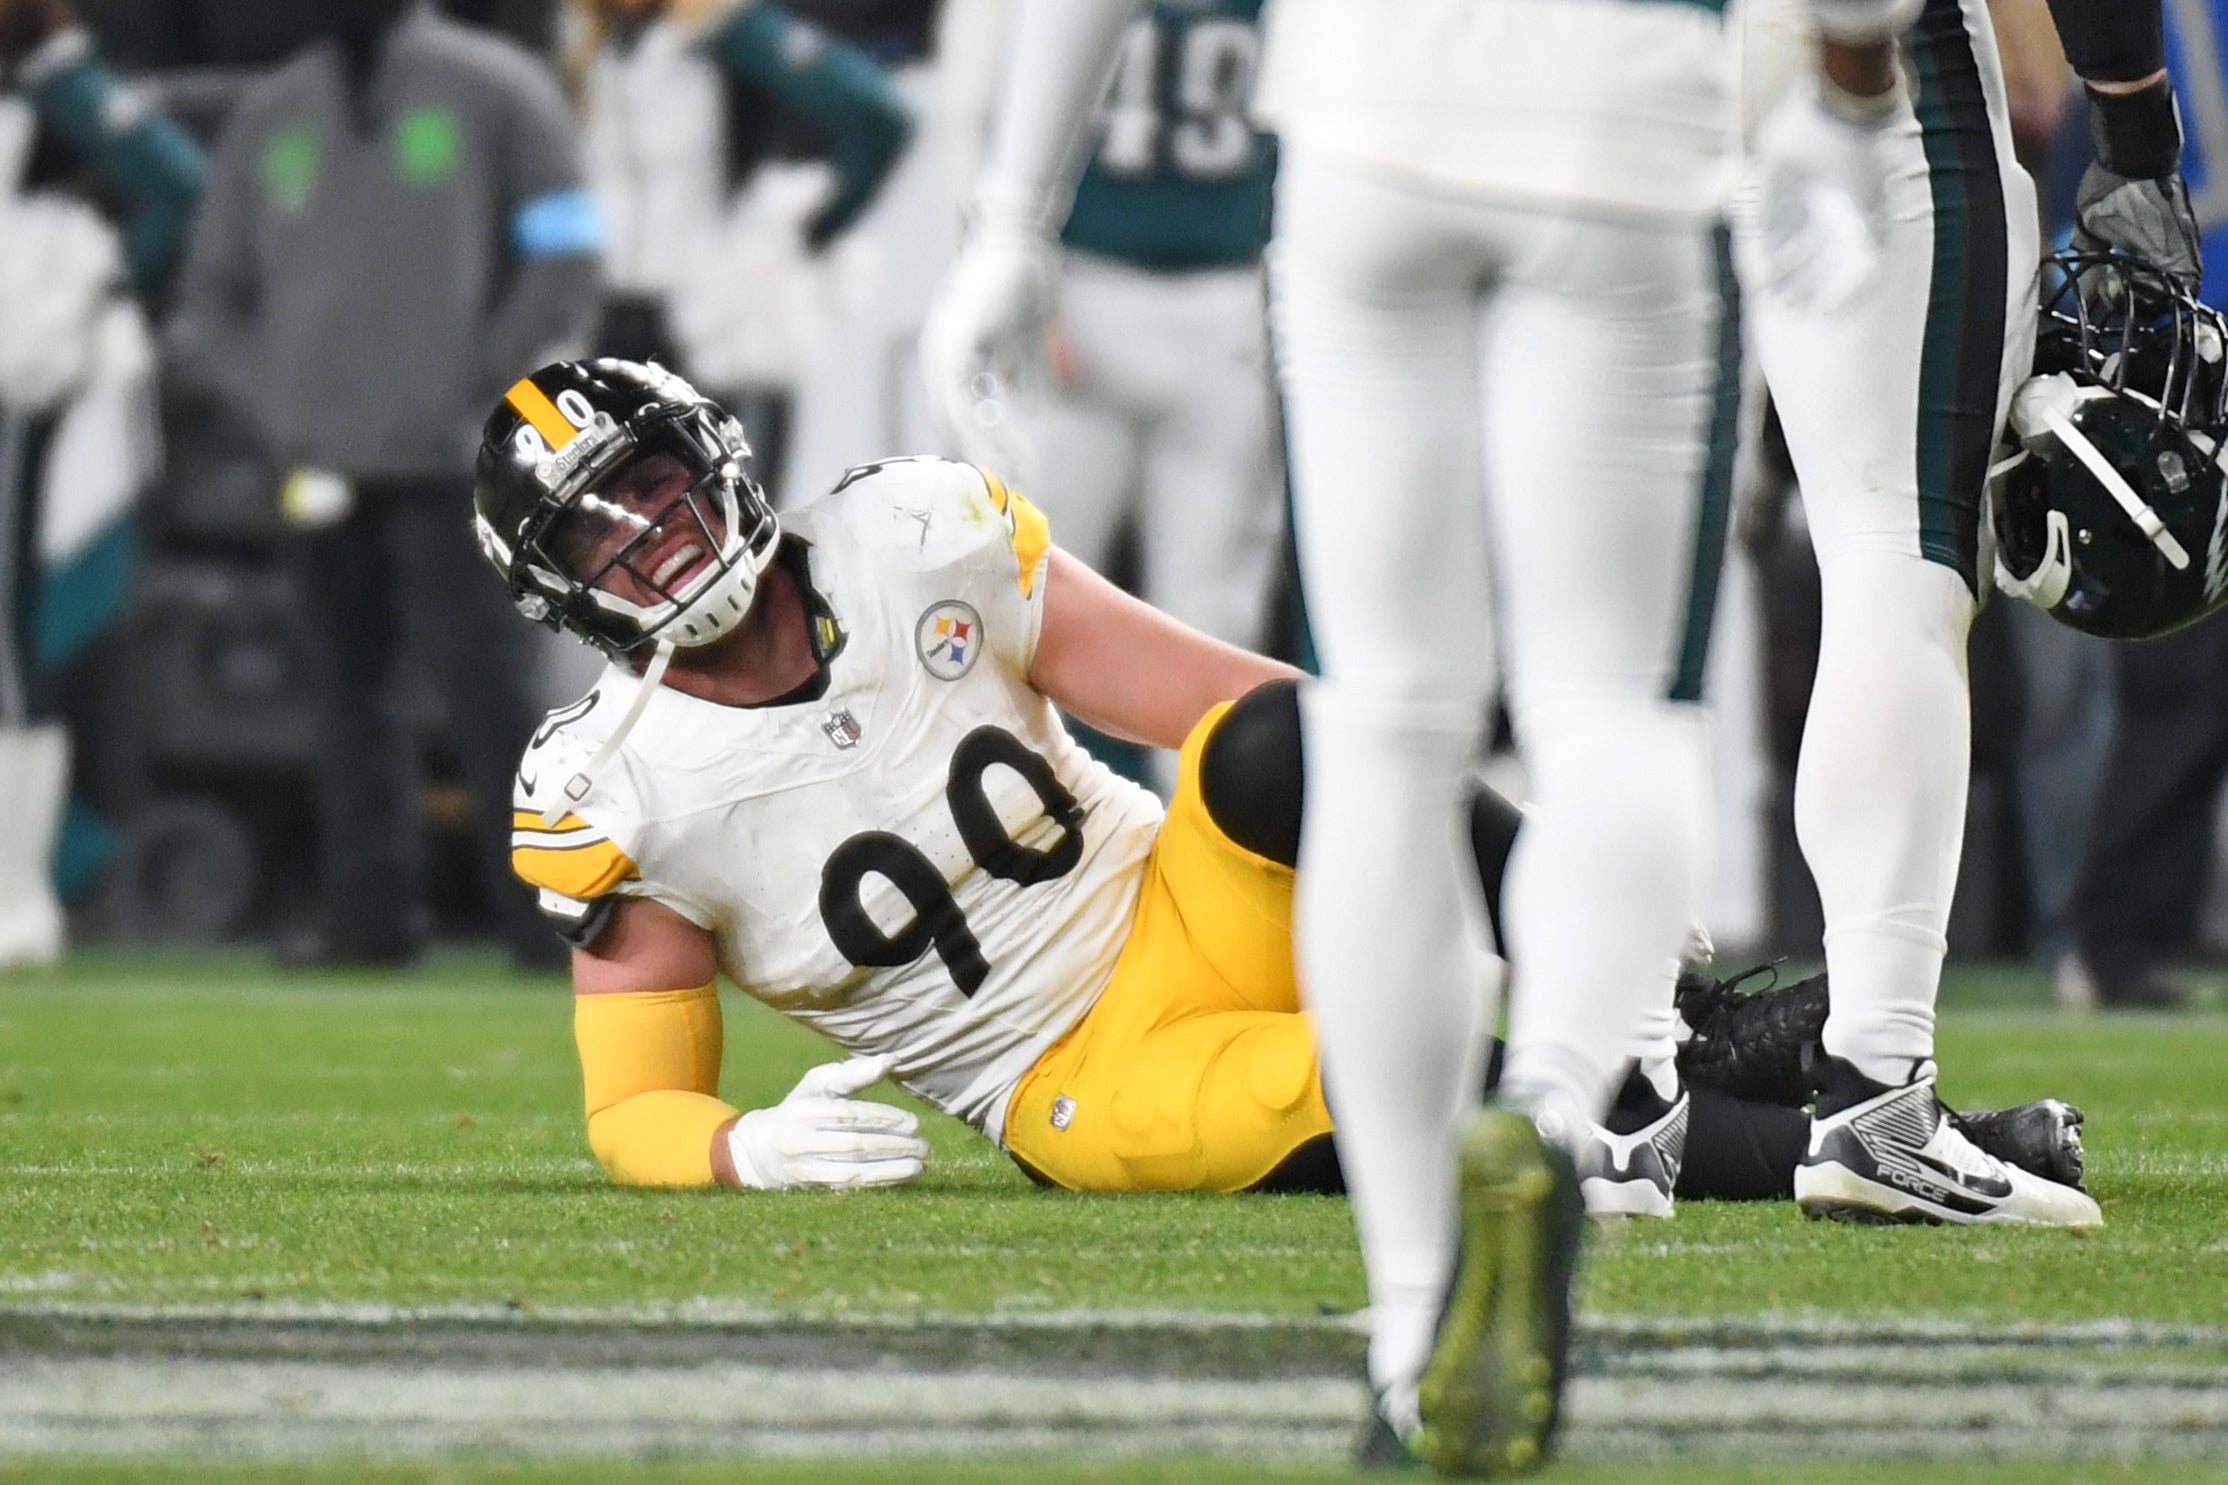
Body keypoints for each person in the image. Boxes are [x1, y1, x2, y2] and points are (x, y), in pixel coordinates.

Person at [478, 357, 2094, 1207]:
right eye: (601, 534)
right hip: (1067, 1079)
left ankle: (1669, 1000)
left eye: (658, 490)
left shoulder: (910, 532)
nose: (656, 539)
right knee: (1447, 1093)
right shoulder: (613, 788)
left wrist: (1464, 824)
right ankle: (1877, 1142)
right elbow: (631, 1111)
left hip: (1178, 901)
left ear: (718, 456)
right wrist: (738, 1153)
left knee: (1288, 738)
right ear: (559, 593)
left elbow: (1232, 703)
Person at [1731, 0, 2194, 1225]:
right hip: (1876, 68)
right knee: (1904, 560)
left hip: (1619, 83)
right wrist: (2137, 123)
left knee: (1609, 649)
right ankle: (1877, 1091)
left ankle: (1612, 1101)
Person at [165, 0, 602, 971]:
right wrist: (278, 406)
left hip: (458, 458)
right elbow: (207, 299)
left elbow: (568, 249)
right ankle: (371, 918)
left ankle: (545, 922)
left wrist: (488, 384)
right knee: (342, 693)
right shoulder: (273, 113)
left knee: (490, 687)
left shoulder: (497, 89)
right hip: (316, 463)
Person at [923, 0, 1285, 794]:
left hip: (1204, 297)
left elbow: (974, 123)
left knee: (1206, 616)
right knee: (1027, 595)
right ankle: (1005, 831)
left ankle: (1208, 844)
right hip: (1092, 297)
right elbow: (971, 116)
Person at [0, 0, 203, 965]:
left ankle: (17, 889)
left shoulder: (57, 87)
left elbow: (176, 186)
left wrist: (96, 296)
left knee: (11, 646)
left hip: (18, 387)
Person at [570, 0, 914, 495]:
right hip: (609, 325)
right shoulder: (585, 48)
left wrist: (808, 226)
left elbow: (877, 119)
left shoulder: (731, 33)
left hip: (716, 326)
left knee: (734, 519)